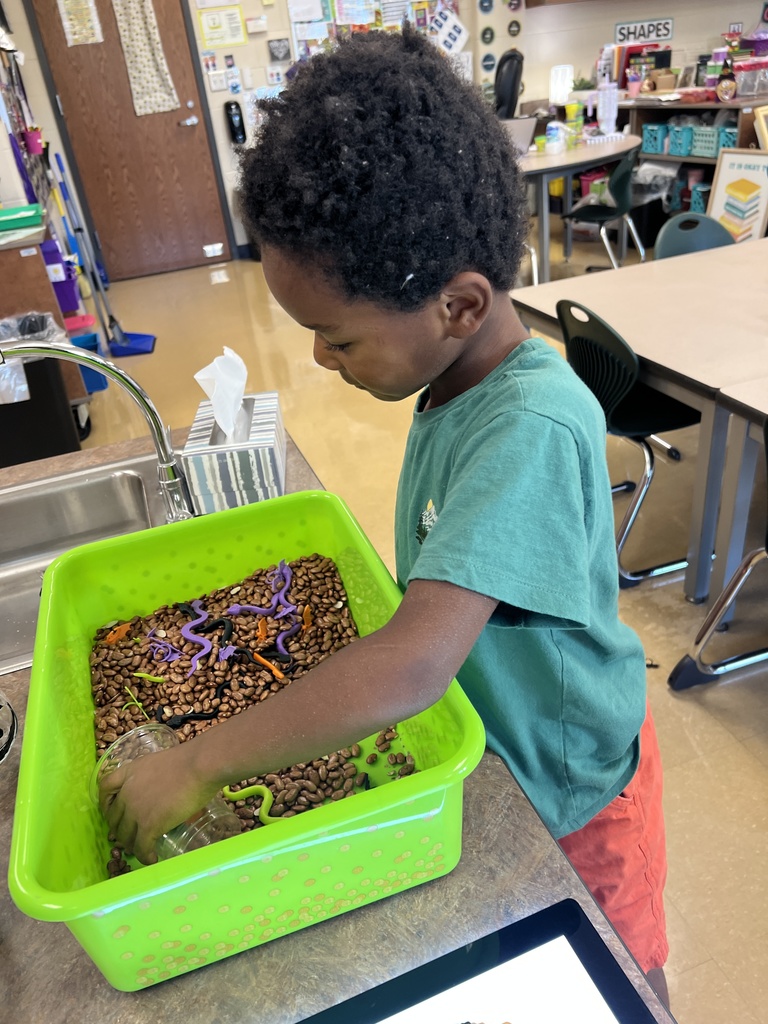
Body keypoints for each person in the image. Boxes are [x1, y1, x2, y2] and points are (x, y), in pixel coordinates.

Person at [100, 24, 669, 1003]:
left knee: (622, 979)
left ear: (459, 306)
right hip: (492, 753)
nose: (319, 360)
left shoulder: (530, 424)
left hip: (573, 785)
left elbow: (414, 661)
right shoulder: (453, 376)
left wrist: (199, 763)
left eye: (337, 337)